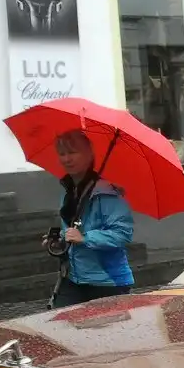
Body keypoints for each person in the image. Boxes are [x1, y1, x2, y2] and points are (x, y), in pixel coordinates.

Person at [45, 129, 135, 307]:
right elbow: (74, 230)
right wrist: (60, 240)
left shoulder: (106, 193)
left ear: (88, 154)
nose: (67, 159)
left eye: (72, 152)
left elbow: (123, 233)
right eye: (62, 154)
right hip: (73, 279)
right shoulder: (69, 193)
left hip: (107, 282)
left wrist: (85, 238)